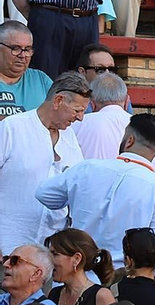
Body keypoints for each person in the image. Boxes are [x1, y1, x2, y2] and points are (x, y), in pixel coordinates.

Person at [34, 112, 155, 271]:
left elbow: (43, 194)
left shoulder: (87, 169)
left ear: (130, 141)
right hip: (121, 283)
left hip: (76, 273)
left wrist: (72, 193)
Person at [0, 73, 89, 252]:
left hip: (52, 253)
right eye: (77, 110)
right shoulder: (12, 128)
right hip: (9, 247)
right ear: (58, 101)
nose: (80, 118)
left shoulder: (70, 136)